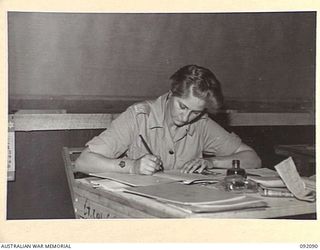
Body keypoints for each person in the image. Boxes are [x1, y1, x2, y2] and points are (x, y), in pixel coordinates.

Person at [75, 65, 261, 175]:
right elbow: (83, 162)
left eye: (196, 112)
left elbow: (252, 159)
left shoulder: (201, 123)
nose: (186, 118)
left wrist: (213, 162)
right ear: (171, 94)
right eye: (182, 107)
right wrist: (133, 166)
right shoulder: (139, 116)